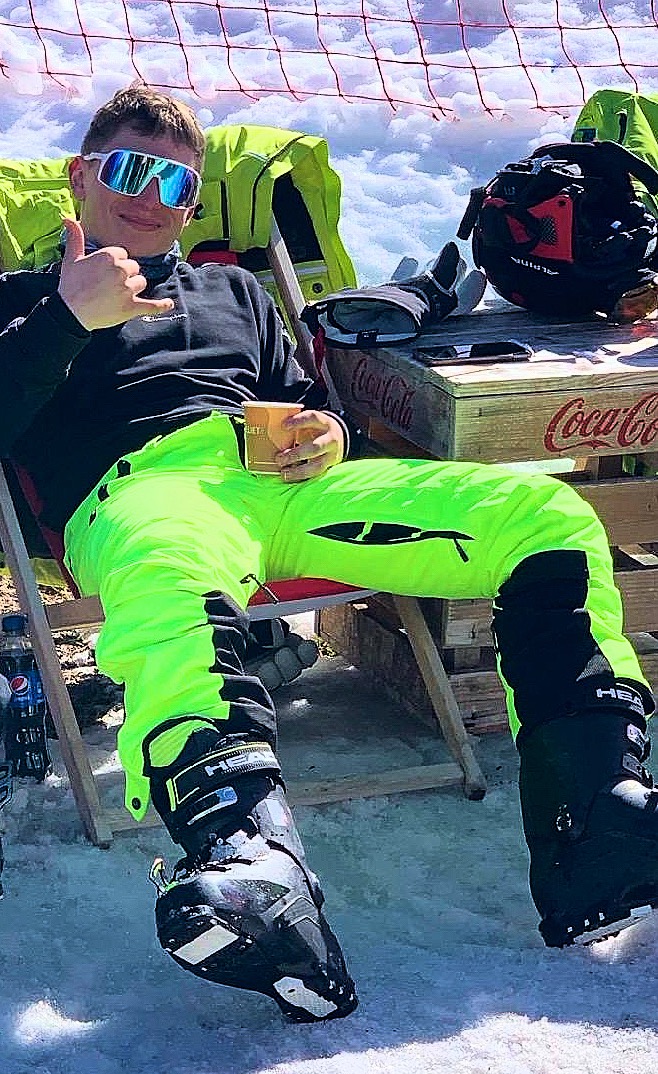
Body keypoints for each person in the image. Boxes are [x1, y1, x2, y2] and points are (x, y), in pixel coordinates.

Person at [0, 84, 657, 1023]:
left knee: (539, 514)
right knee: (171, 580)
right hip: (143, 496)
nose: (150, 198)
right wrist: (69, 316)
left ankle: (594, 820)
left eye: (176, 184)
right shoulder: (23, 304)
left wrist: (328, 433)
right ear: (80, 177)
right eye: (129, 170)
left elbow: (309, 403)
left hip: (290, 488)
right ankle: (246, 859)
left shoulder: (236, 292)